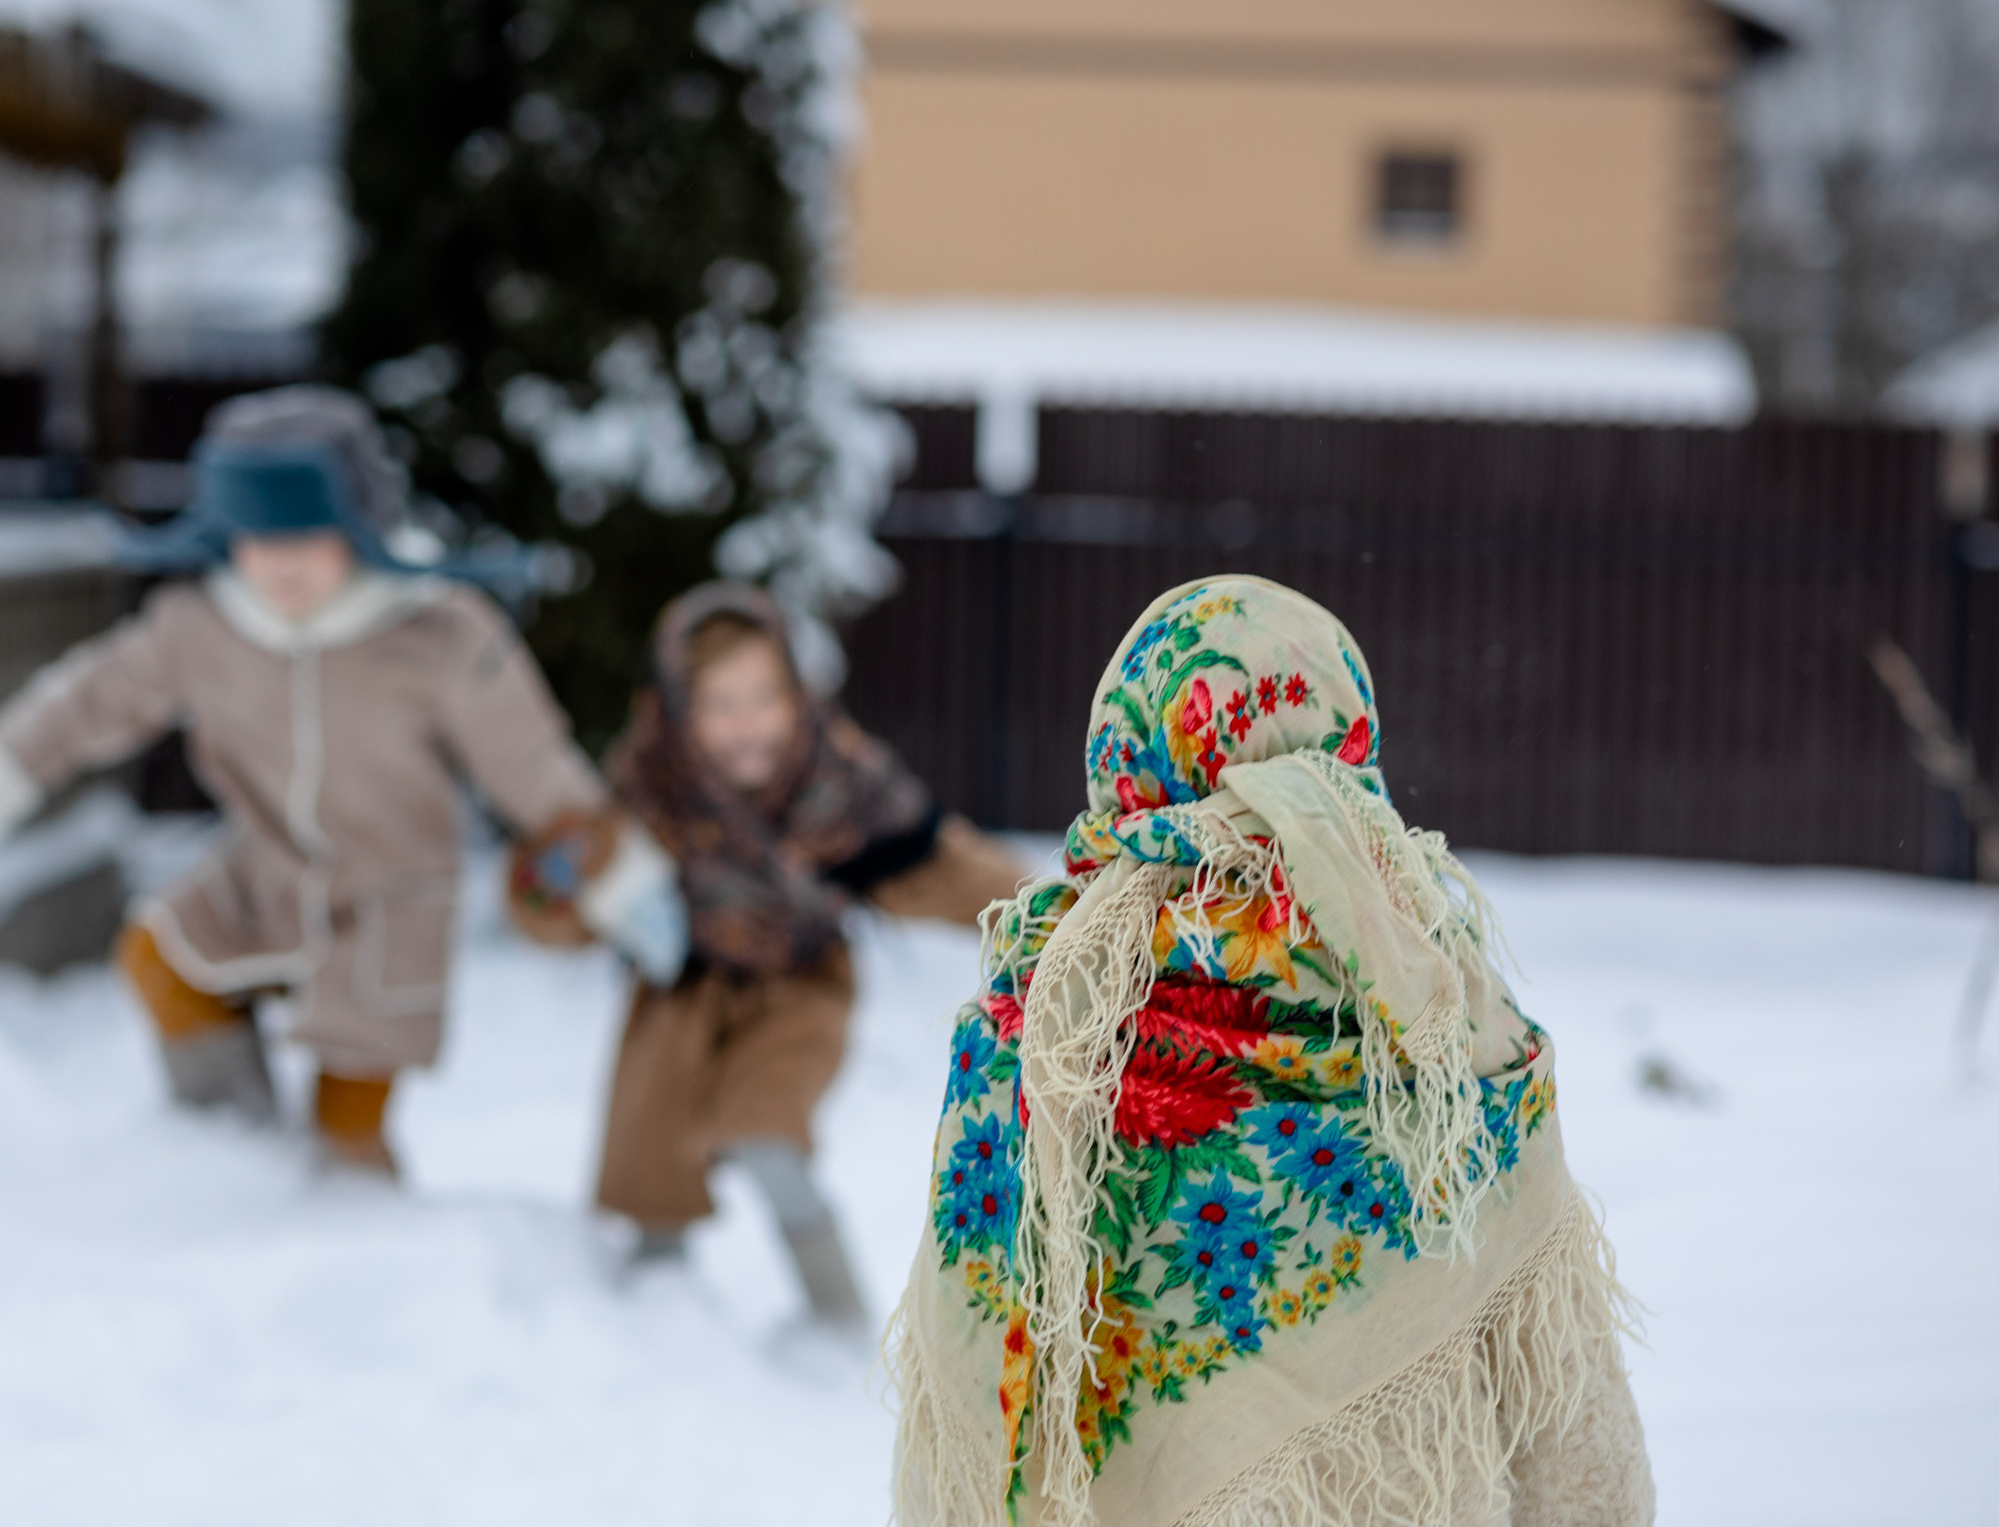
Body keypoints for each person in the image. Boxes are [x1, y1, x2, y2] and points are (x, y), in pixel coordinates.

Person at [888, 575, 1650, 1527]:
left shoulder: (1037, 1002)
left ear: (1125, 748)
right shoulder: (1434, 993)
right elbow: (1573, 1435)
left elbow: (964, 1393)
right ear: (1347, 733)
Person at [0, 387, 630, 1174]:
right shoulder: (202, 627)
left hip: (392, 905)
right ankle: (238, 1158)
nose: (282, 563)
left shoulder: (438, 631)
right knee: (161, 955)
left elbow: (530, 762)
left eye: (309, 536)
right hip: (266, 876)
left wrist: (622, 881)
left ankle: (364, 1224)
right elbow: (86, 703)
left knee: (347, 1119)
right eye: (258, 538)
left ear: (362, 525)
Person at [515, 582, 1028, 1328]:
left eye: (764, 696)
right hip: (681, 995)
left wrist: (1040, 905)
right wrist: (555, 896)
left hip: (800, 988)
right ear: (676, 710)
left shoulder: (841, 783)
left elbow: (942, 868)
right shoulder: (650, 792)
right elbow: (582, 904)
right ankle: (650, 1326)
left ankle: (838, 1319)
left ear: (799, 693)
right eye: (718, 703)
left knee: (767, 1135)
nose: (744, 723)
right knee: (654, 1162)